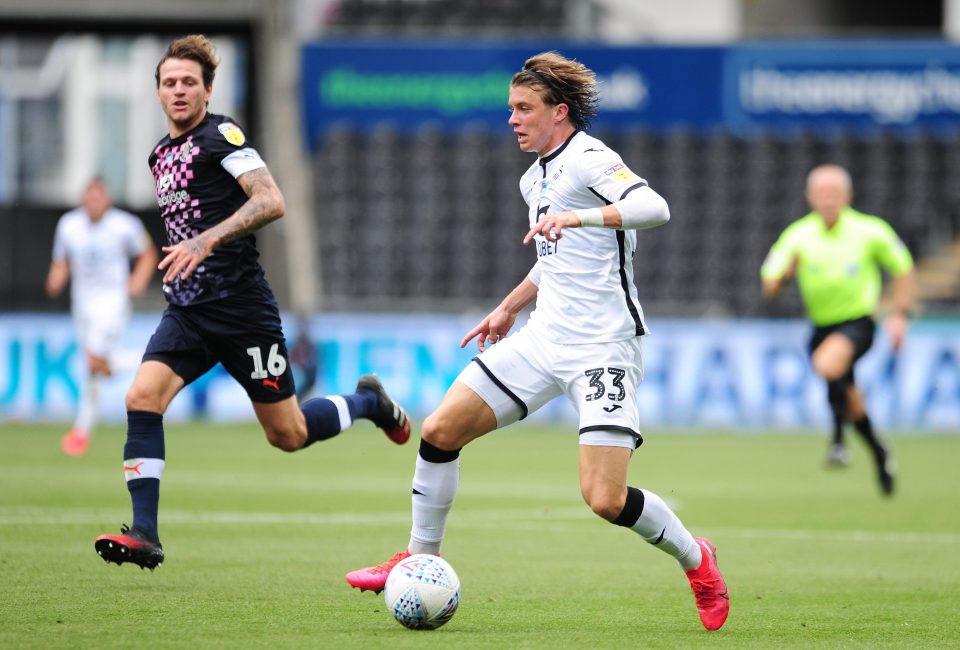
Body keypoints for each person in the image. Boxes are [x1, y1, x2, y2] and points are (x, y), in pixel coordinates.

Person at [345, 51, 729, 632]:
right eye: (510, 109)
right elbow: (554, 262)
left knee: (603, 498)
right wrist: (507, 307)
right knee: (440, 430)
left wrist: (581, 218)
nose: (513, 119)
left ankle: (697, 559)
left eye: (524, 109)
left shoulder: (590, 157)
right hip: (542, 338)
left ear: (560, 112)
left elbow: (655, 208)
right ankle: (420, 555)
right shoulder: (535, 176)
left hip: (602, 348)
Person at [94, 34, 411, 570]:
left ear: (207, 89)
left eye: (188, 82)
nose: (178, 90)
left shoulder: (223, 135)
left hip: (241, 309)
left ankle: (369, 404)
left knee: (287, 435)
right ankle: (145, 534)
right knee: (141, 398)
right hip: (188, 311)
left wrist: (208, 240)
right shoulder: (159, 155)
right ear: (157, 92)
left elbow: (271, 200)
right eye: (169, 82)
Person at [760, 163, 914, 495]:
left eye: (835, 192)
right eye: (822, 192)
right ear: (810, 196)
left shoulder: (870, 230)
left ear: (848, 195)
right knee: (851, 398)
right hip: (821, 326)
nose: (828, 198)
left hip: (859, 322)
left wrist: (900, 314)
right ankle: (879, 451)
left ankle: (837, 442)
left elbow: (903, 267)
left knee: (828, 364)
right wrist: (785, 276)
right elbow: (769, 285)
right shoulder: (797, 235)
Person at [46, 177, 158, 456]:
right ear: (84, 199)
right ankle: (143, 359)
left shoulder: (124, 225)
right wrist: (56, 278)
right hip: (82, 306)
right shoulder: (69, 225)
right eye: (89, 197)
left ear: (106, 199)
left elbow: (148, 253)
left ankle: (80, 433)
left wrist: (138, 280)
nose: (93, 203)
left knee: (93, 362)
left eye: (98, 197)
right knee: (94, 369)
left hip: (112, 303)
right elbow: (61, 260)